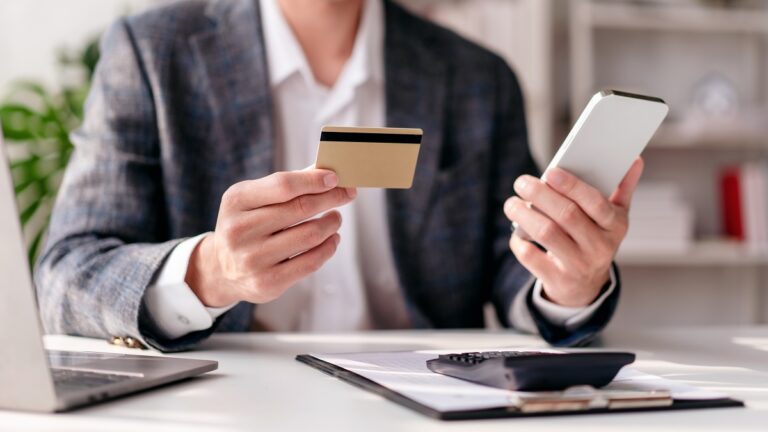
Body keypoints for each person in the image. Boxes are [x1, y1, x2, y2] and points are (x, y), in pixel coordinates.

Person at [35, 0, 642, 352]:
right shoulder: (151, 53)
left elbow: (513, 262)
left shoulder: (476, 78)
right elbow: (66, 273)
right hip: (227, 399)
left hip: (427, 404)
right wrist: (211, 271)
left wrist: (569, 285)